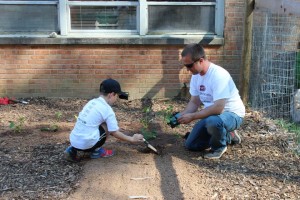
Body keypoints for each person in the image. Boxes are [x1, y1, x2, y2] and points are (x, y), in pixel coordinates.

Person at [177, 43, 245, 159]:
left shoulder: (219, 75)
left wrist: (193, 116)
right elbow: (194, 102)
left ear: (201, 60)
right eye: (185, 66)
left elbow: (219, 108)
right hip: (212, 116)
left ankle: (219, 147)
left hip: (231, 114)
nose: (187, 70)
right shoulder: (196, 76)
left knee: (213, 122)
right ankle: (228, 135)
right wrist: (183, 115)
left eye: (189, 66)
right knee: (191, 144)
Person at [64, 78, 144, 162]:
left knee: (88, 126)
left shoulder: (92, 102)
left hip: (73, 140)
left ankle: (72, 150)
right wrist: (132, 139)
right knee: (106, 127)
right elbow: (114, 132)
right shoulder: (107, 110)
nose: (116, 99)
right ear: (111, 94)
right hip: (86, 145)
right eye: (116, 96)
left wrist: (115, 128)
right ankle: (96, 151)